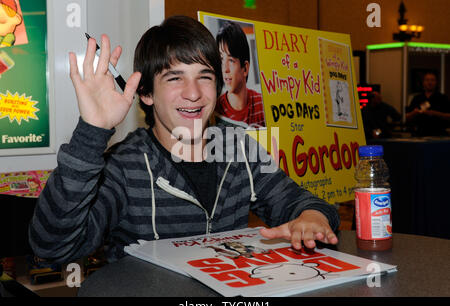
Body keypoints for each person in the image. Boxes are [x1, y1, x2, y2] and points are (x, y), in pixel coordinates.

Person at [28, 16, 339, 264]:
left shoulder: (240, 150)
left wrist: (312, 218)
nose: (193, 93)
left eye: (204, 76)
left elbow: (304, 204)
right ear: (146, 94)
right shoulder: (123, 167)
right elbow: (54, 247)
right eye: (174, 78)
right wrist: (92, 131)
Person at [215, 21, 266, 128]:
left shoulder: (262, 105)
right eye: (221, 59)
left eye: (231, 60)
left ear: (245, 68)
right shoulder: (215, 110)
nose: (225, 69)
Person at [406, 71, 450, 136]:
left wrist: (434, 113)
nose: (430, 82)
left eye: (432, 80)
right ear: (423, 83)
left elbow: (448, 116)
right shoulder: (417, 98)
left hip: (438, 134)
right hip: (419, 134)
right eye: (427, 80)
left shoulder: (442, 98)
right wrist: (414, 113)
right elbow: (407, 117)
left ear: (436, 83)